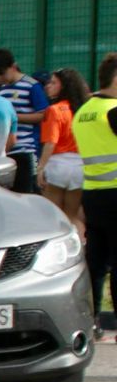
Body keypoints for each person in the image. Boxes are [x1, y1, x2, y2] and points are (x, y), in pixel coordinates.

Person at [74, 55, 117, 341]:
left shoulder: (84, 111)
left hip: (93, 195)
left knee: (96, 264)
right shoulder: (113, 110)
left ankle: (90, 323)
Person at [0, 47, 49, 193]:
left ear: (13, 67)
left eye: (3, 74)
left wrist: (14, 117)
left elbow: (43, 114)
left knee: (29, 192)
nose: (1, 78)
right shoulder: (2, 89)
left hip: (27, 149)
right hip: (6, 150)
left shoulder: (31, 85)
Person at [39, 68, 89, 233]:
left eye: (53, 82)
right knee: (73, 216)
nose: (48, 86)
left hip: (57, 165)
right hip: (79, 166)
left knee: (53, 217)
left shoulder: (55, 110)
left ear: (64, 86)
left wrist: (40, 169)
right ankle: (80, 249)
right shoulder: (83, 110)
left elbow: (50, 143)